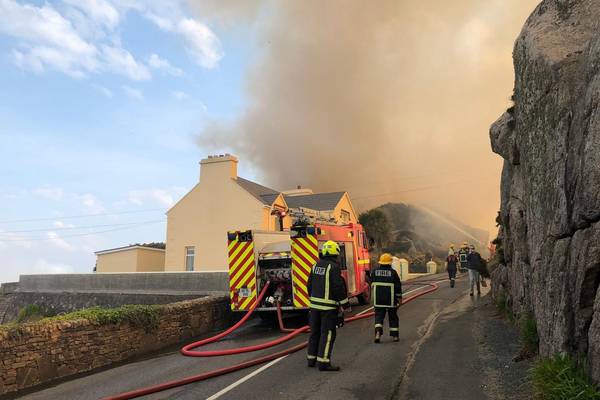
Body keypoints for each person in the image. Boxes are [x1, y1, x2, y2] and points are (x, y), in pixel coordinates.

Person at [306, 240, 349, 371]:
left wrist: (314, 299)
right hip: (328, 308)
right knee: (328, 334)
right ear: (335, 253)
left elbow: (309, 285)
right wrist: (345, 304)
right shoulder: (333, 267)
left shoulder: (315, 265)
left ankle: (311, 359)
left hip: (314, 307)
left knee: (315, 332)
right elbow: (338, 287)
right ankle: (324, 362)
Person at [371, 253, 402, 343]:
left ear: (380, 262)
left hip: (378, 300)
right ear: (389, 263)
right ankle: (395, 336)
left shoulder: (374, 271)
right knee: (393, 317)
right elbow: (398, 287)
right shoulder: (393, 273)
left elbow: (371, 283)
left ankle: (377, 333)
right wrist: (399, 299)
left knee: (379, 317)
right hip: (391, 300)